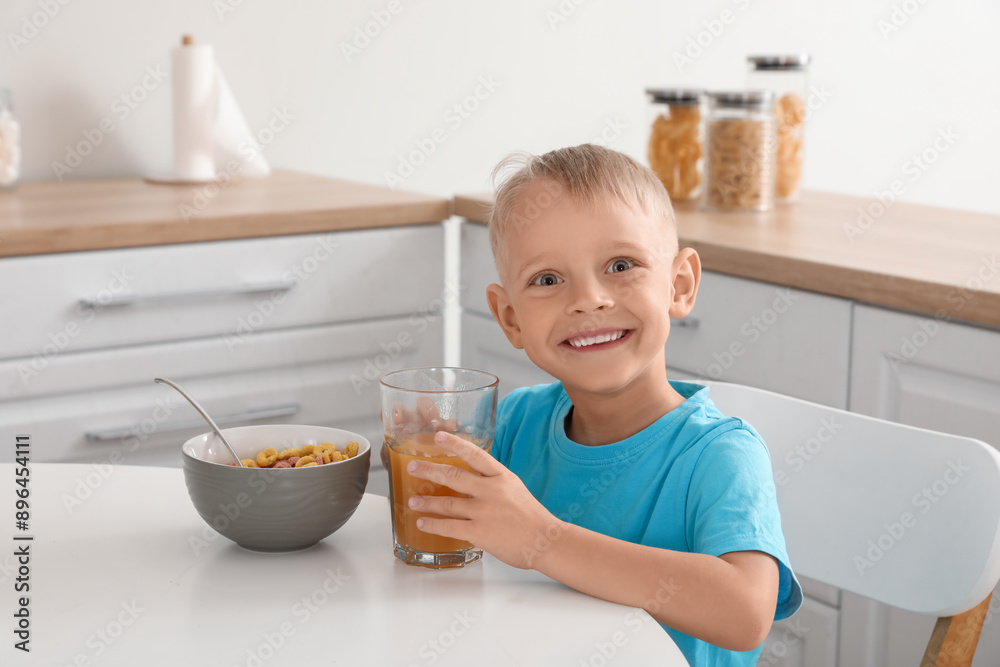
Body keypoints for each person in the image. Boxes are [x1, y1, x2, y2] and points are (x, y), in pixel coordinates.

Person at [403, 144, 803, 666]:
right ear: (511, 319)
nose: (589, 298)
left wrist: (542, 540)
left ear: (679, 286)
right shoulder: (518, 422)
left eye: (621, 264)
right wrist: (435, 456)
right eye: (547, 279)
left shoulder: (719, 454)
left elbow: (746, 613)